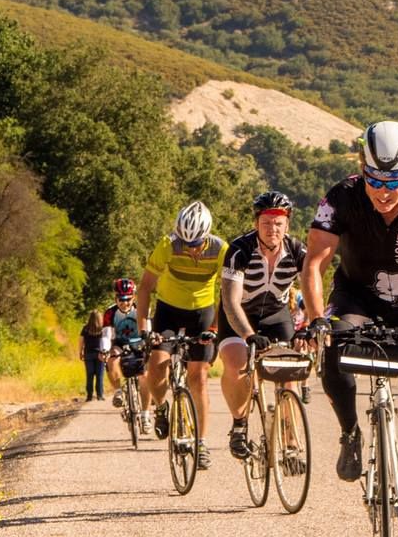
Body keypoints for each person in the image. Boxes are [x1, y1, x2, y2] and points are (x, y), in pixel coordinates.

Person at [301, 120, 398, 537]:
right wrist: (316, 318)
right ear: (361, 169)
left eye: (395, 180)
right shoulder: (340, 198)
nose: (384, 190)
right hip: (356, 297)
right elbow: (314, 264)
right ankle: (350, 432)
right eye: (375, 179)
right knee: (334, 351)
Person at [137, 200, 227, 470]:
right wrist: (144, 329)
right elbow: (144, 288)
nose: (191, 249)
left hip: (202, 313)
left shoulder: (220, 249)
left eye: (196, 243)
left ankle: (201, 442)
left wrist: (219, 329)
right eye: (186, 243)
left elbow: (231, 291)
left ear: (206, 235)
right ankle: (162, 408)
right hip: (168, 311)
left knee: (198, 377)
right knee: (156, 365)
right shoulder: (167, 245)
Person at [218, 191, 307, 459]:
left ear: (287, 225)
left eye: (278, 223)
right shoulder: (239, 250)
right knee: (237, 364)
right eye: (266, 223)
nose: (272, 229)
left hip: (276, 313)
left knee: (289, 376)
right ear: (257, 223)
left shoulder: (297, 250)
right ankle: (239, 425)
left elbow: (312, 290)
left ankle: (290, 447)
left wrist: (311, 323)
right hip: (240, 314)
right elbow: (231, 302)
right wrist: (248, 335)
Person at [102, 278, 146, 417]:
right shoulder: (110, 313)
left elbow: (148, 330)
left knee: (145, 375)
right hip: (120, 343)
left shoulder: (141, 309)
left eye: (128, 299)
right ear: (115, 298)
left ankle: (145, 414)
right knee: (111, 358)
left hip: (139, 342)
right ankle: (118, 392)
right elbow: (106, 334)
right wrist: (105, 350)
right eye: (121, 299)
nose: (124, 303)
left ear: (133, 297)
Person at [78, 309, 106, 401]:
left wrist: (80, 352)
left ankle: (89, 396)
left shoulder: (85, 328)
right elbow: (105, 341)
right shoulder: (102, 328)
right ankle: (100, 395)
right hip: (100, 354)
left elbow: (81, 341)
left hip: (88, 354)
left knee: (89, 375)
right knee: (100, 375)